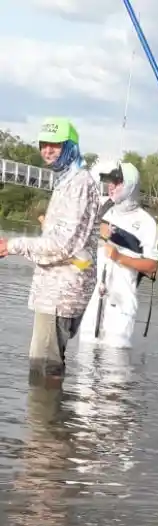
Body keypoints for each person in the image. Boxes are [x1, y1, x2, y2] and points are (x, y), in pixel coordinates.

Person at [0, 118, 100, 381]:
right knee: (49, 368)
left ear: (70, 146)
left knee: (43, 368)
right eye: (43, 144)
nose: (47, 151)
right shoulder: (68, 180)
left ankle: (45, 422)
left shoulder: (78, 183)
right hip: (58, 290)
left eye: (55, 145)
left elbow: (61, 245)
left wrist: (13, 245)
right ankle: (53, 420)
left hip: (61, 293)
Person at [78, 161, 158, 350]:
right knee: (83, 374)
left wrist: (118, 257)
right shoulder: (102, 210)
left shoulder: (147, 223)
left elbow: (152, 266)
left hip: (121, 306)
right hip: (92, 302)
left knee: (115, 373)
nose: (111, 186)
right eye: (109, 181)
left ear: (130, 185)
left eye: (117, 182)